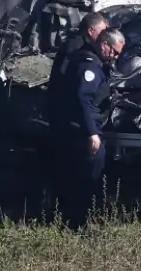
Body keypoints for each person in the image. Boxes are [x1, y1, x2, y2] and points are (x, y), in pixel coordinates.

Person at [45, 27, 125, 229]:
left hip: (85, 129)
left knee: (85, 178)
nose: (114, 57)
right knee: (86, 179)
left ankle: (77, 221)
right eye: (114, 52)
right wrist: (92, 133)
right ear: (104, 45)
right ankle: (78, 223)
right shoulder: (88, 66)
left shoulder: (95, 63)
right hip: (83, 131)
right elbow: (83, 99)